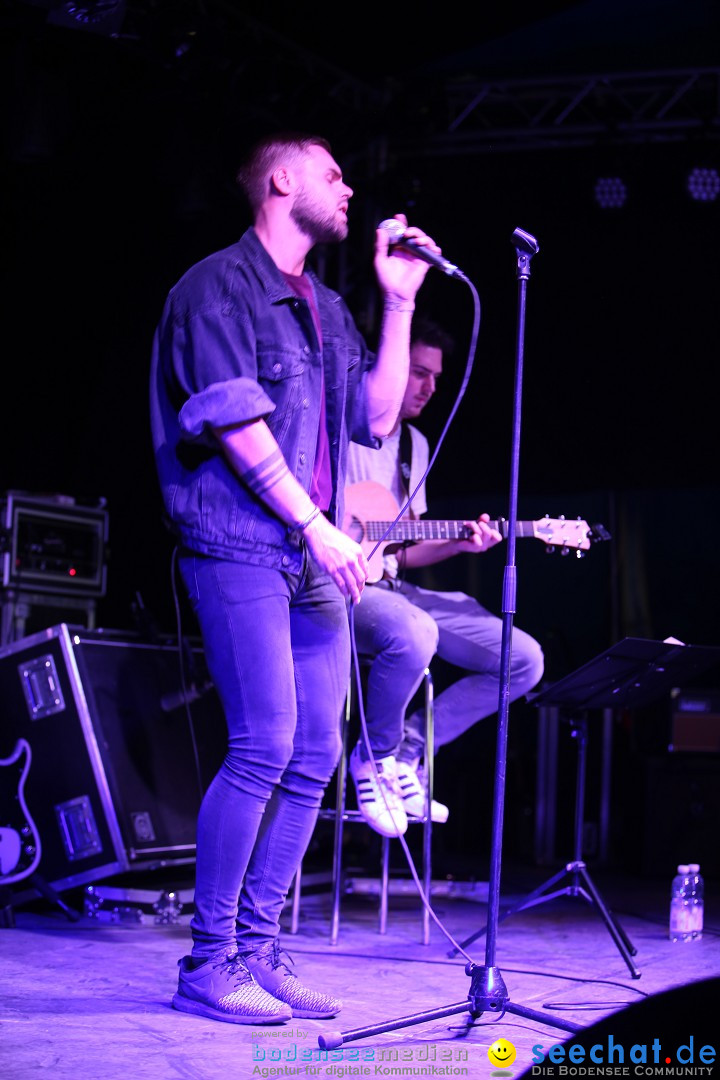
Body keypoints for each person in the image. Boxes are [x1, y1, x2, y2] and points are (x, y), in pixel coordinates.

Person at [149, 132, 436, 1025]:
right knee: (264, 745)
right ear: (282, 180)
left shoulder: (326, 309)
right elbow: (237, 424)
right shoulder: (216, 288)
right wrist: (319, 529)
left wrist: (395, 305)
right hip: (240, 547)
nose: (349, 188)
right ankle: (208, 962)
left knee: (315, 754)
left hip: (306, 557)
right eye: (332, 173)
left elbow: (379, 417)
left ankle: (259, 948)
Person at [345, 316, 545, 837]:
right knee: (417, 632)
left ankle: (410, 750)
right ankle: (373, 758)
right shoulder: (339, 423)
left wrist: (459, 541)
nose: (430, 387)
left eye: (435, 376)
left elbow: (400, 550)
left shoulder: (414, 446)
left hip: (388, 582)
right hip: (333, 584)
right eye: (417, 372)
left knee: (522, 659)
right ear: (380, 363)